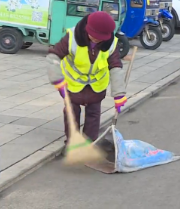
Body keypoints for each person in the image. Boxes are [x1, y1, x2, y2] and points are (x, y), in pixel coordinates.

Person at [45, 11, 127, 147]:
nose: (97, 39)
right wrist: (57, 80)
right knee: (71, 114)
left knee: (93, 116)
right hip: (74, 84)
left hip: (97, 85)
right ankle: (72, 143)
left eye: (101, 37)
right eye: (94, 36)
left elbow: (115, 66)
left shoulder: (111, 43)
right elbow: (53, 57)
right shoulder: (72, 38)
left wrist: (119, 94)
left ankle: (89, 144)